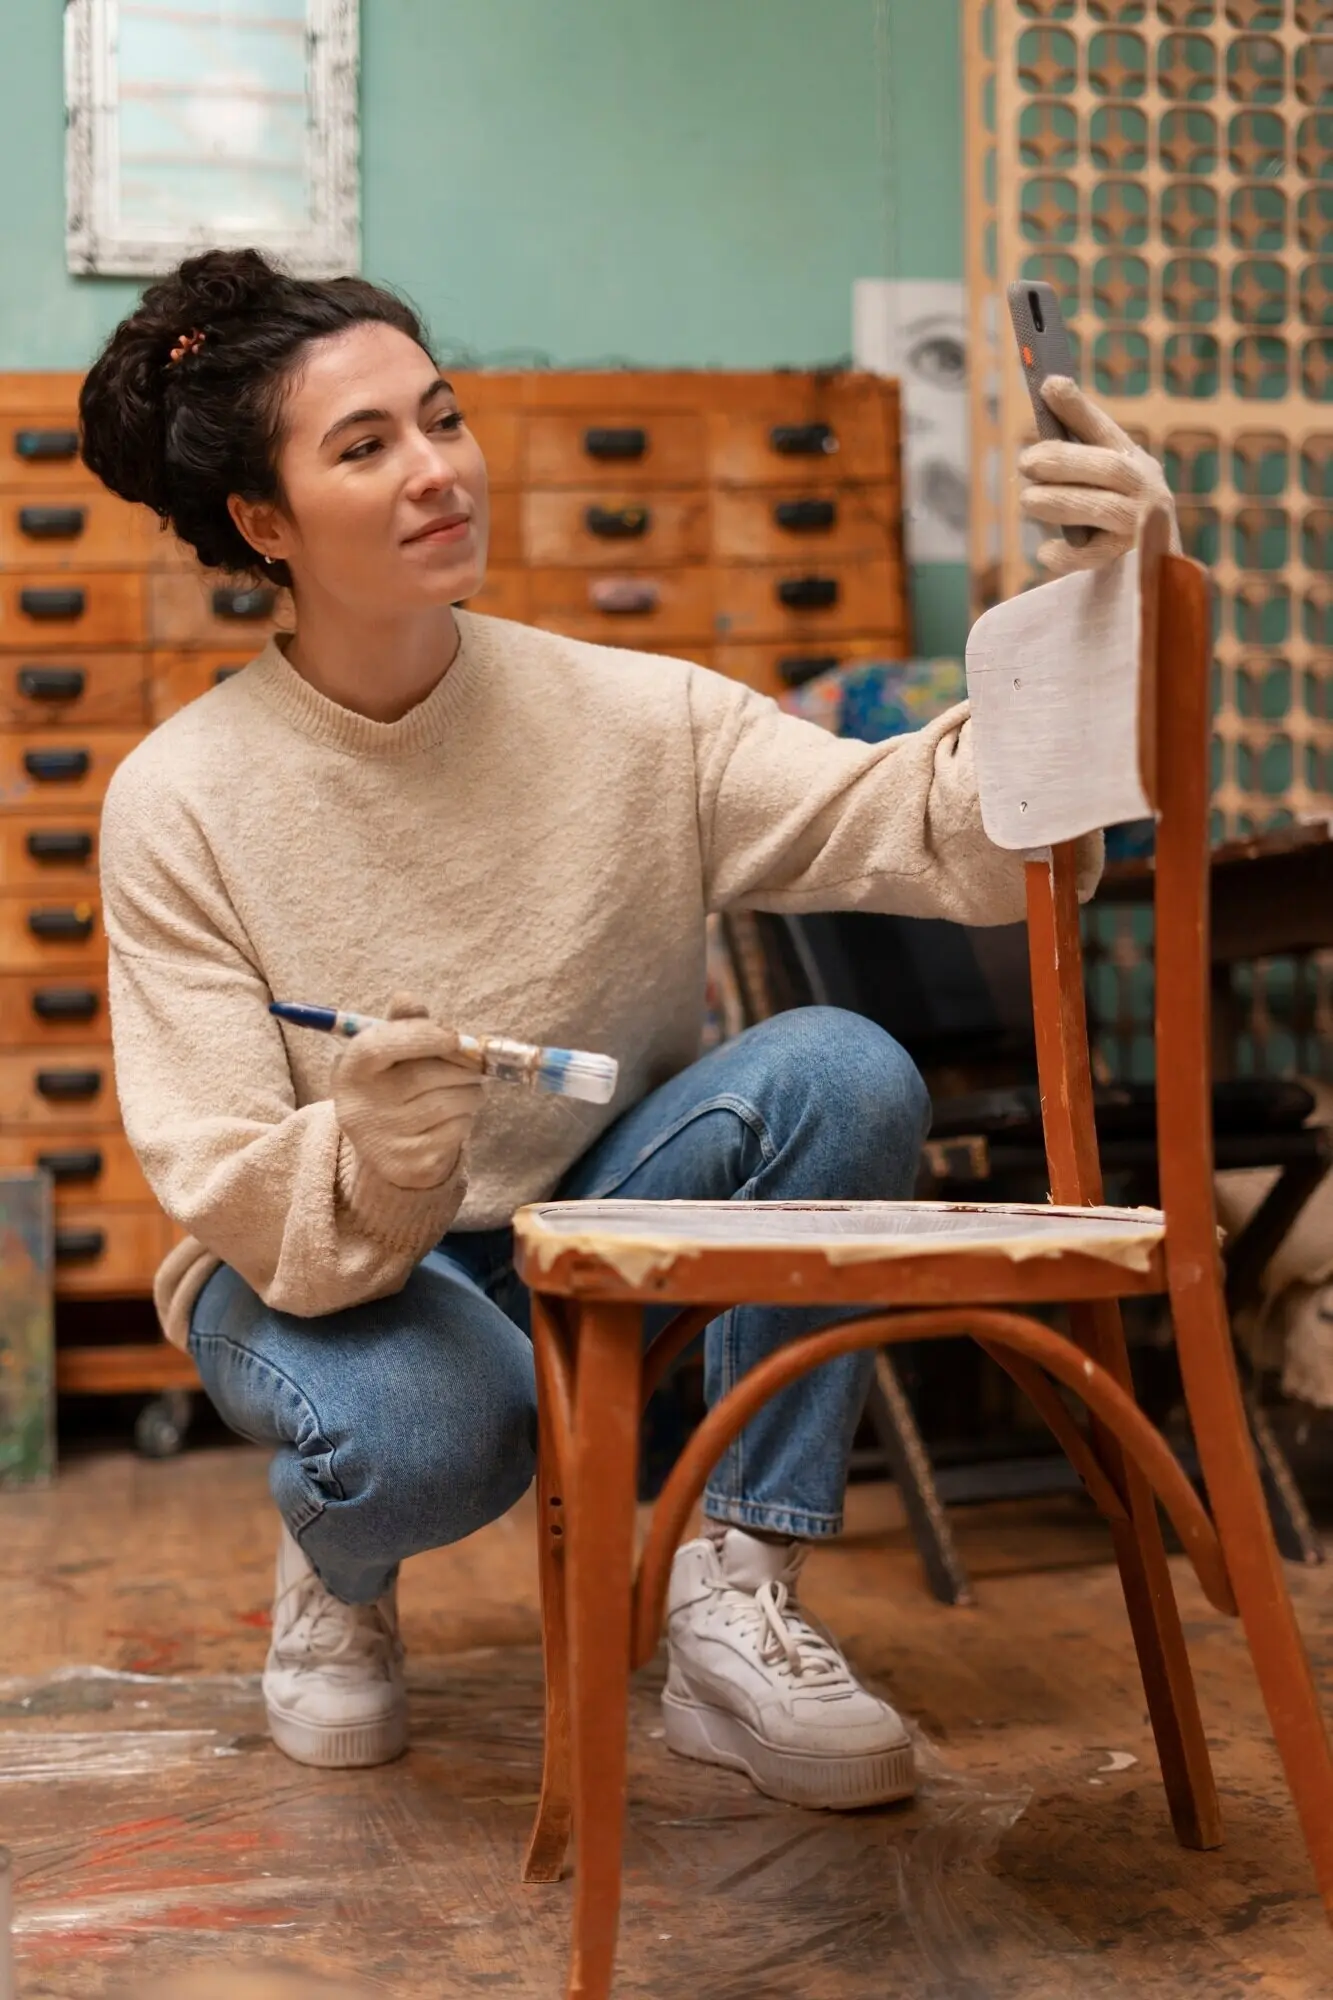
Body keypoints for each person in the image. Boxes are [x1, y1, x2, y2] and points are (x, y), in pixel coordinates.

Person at [80, 249, 1175, 1806]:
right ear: (263, 525)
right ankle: (339, 1552)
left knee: (842, 1066)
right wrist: (376, 1148)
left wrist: (1114, 605)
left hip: (579, 1217)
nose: (436, 471)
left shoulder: (637, 717)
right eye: (365, 445)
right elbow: (226, 1176)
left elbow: (954, 839)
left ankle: (737, 1597)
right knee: (439, 1431)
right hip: (310, 1277)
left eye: (440, 419)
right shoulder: (179, 798)